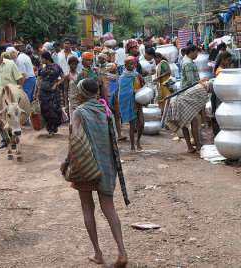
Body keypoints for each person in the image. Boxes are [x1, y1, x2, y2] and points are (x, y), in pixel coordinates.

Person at [60, 78, 128, 267]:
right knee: (109, 208)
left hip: (85, 164)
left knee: (87, 208)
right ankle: (122, 252)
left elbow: (75, 141)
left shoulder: (79, 112)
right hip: (106, 164)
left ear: (81, 94)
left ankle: (98, 253)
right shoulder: (105, 109)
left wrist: (66, 162)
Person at [166, 44, 208, 154]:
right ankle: (196, 146)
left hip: (185, 95)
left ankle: (191, 146)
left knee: (185, 122)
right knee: (193, 122)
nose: (197, 54)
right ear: (191, 52)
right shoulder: (188, 63)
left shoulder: (186, 61)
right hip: (187, 96)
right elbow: (191, 83)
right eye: (196, 52)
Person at [0, 47, 23, 149]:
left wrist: (20, 92)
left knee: (12, 118)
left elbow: (18, 79)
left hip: (10, 99)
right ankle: (5, 139)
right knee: (0, 120)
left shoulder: (10, 64)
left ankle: (14, 138)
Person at [34, 51, 65, 136]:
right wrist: (35, 93)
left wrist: (56, 84)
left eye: (43, 59)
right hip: (42, 93)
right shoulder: (41, 68)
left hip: (53, 92)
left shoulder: (56, 67)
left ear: (47, 59)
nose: (42, 60)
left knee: (53, 110)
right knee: (45, 110)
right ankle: (49, 129)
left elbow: (63, 77)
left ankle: (54, 127)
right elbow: (38, 80)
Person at [118, 56, 145, 152]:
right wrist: (133, 92)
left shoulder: (137, 75)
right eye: (131, 64)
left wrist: (142, 81)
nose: (133, 65)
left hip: (138, 102)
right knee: (132, 125)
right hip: (130, 103)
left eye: (134, 63)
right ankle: (133, 146)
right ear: (125, 65)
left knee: (141, 123)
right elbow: (122, 93)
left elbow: (142, 86)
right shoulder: (123, 77)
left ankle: (138, 141)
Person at [105, 63, 127, 141]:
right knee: (109, 118)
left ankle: (119, 135)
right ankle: (110, 136)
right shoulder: (106, 79)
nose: (116, 71)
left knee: (117, 116)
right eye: (115, 70)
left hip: (115, 99)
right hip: (109, 100)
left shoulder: (116, 78)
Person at [64, 56, 80, 130]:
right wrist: (66, 105)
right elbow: (66, 91)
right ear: (69, 64)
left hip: (80, 100)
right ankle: (71, 137)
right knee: (72, 121)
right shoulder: (67, 77)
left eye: (75, 64)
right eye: (72, 64)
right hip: (71, 100)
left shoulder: (80, 75)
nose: (74, 66)